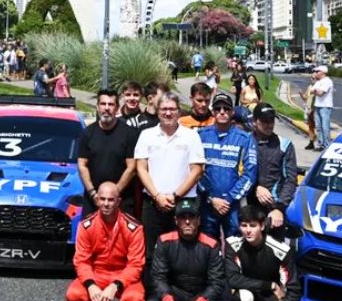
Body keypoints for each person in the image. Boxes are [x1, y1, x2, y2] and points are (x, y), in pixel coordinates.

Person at [64, 182, 146, 301]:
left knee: (134, 299)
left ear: (118, 202)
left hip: (124, 275)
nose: (106, 204)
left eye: (111, 199)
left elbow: (136, 264)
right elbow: (81, 261)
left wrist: (115, 285)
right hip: (97, 274)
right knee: (73, 295)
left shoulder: (134, 228)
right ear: (96, 201)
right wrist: (91, 285)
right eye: (102, 199)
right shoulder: (86, 225)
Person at [134, 93, 206, 264]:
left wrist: (175, 196)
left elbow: (196, 171)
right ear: (157, 111)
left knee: (182, 252)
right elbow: (141, 168)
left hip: (183, 203)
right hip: (152, 203)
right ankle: (154, 290)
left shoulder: (191, 136)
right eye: (164, 109)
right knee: (151, 252)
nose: (168, 113)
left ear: (179, 111)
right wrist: (157, 196)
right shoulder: (146, 135)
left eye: (172, 109)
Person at [145, 197, 229, 301]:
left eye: (192, 217)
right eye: (183, 217)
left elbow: (217, 283)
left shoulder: (212, 244)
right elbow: (158, 278)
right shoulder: (164, 241)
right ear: (176, 221)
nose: (188, 221)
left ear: (199, 221)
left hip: (200, 296)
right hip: (175, 295)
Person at [226, 204, 303, 301]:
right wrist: (270, 285)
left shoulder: (281, 250)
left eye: (253, 225)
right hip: (253, 297)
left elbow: (294, 290)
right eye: (244, 225)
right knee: (240, 297)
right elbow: (232, 278)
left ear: (262, 226)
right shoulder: (233, 245)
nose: (248, 230)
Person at [198, 93, 257, 239]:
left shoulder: (245, 138)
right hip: (207, 203)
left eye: (226, 108)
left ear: (232, 112)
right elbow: (194, 171)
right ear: (213, 112)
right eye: (218, 108)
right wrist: (211, 198)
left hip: (233, 205)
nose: (222, 111)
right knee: (207, 248)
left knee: (235, 248)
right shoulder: (200, 135)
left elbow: (250, 174)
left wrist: (228, 199)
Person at [78, 89, 139, 215]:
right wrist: (93, 193)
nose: (106, 108)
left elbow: (132, 167)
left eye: (111, 104)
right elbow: (82, 165)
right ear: (97, 107)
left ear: (116, 108)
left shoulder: (129, 134)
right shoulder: (87, 133)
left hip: (122, 200)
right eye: (103, 104)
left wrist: (113, 194)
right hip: (93, 200)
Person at [247, 104, 297, 234]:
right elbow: (237, 172)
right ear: (254, 121)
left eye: (272, 120)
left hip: (274, 210)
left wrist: (279, 208)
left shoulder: (285, 144)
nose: (269, 125)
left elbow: (291, 180)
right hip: (248, 206)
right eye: (265, 121)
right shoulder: (244, 141)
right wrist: (256, 187)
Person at [309, 65, 334, 150]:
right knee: (318, 127)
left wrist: (316, 90)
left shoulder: (327, 81)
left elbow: (320, 93)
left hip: (325, 106)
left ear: (323, 72)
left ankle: (327, 145)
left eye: (317, 71)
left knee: (325, 126)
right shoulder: (318, 82)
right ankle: (320, 144)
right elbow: (311, 91)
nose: (316, 73)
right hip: (317, 105)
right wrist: (316, 90)